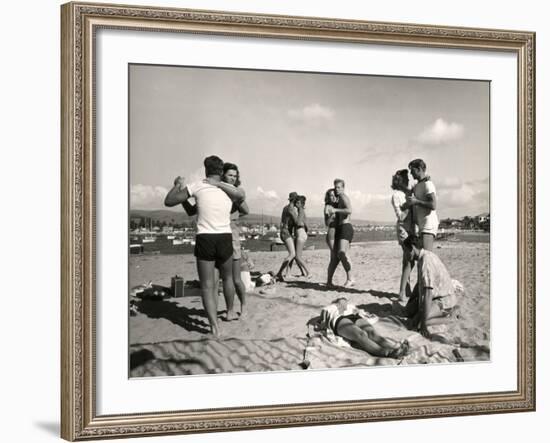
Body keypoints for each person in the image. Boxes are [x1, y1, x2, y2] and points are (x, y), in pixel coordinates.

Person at [164, 155, 245, 336]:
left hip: (206, 238)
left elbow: (169, 201)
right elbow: (242, 196)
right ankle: (230, 311)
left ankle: (214, 326)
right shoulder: (229, 189)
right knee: (228, 279)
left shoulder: (197, 185)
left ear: (206, 170)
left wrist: (177, 184)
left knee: (208, 286)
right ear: (221, 171)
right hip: (225, 237)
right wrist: (219, 185)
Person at [177, 162, 249, 318]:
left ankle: (242, 305)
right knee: (215, 282)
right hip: (215, 237)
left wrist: (233, 217)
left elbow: (246, 209)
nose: (233, 178)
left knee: (235, 279)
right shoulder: (210, 191)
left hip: (231, 238)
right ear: (223, 175)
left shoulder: (233, 192)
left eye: (235, 176)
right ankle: (215, 312)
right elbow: (192, 210)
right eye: (230, 175)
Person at [402, 236, 460, 338]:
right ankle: (430, 315)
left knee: (420, 321)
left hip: (444, 299)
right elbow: (419, 284)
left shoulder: (426, 261)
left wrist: (423, 324)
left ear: (412, 248)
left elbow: (428, 293)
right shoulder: (423, 257)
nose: (405, 255)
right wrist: (411, 301)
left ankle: (451, 316)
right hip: (435, 296)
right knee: (409, 311)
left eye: (405, 251)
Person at [320, 297, 409, 358]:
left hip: (353, 316)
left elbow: (361, 312)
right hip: (339, 319)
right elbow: (323, 319)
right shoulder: (330, 307)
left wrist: (359, 312)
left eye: (345, 300)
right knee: (361, 334)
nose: (344, 301)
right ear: (337, 301)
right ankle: (385, 352)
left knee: (372, 333)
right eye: (342, 300)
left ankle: (395, 347)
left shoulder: (350, 306)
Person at [391, 169, 416, 303]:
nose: (408, 181)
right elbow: (401, 216)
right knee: (408, 260)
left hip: (411, 230)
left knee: (408, 261)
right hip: (403, 231)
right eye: (405, 179)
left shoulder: (407, 192)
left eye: (408, 178)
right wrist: (409, 204)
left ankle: (406, 290)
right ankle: (402, 292)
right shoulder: (396, 195)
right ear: (399, 181)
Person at [326, 179, 354, 288]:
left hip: (346, 227)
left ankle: (350, 278)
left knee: (342, 253)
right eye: (335, 187)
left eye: (339, 187)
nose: (337, 189)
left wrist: (335, 210)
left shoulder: (343, 196)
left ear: (343, 188)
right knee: (336, 257)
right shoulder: (338, 199)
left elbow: (349, 210)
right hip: (341, 228)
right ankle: (329, 282)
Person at [405, 158, 439, 251]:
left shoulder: (428, 184)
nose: (411, 173)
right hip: (421, 226)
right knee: (420, 257)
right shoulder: (418, 185)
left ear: (419, 169)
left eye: (412, 170)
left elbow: (433, 205)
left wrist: (417, 202)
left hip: (428, 226)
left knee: (426, 258)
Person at [275, 192, 299, 281]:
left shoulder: (285, 208)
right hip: (286, 232)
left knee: (292, 254)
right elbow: (297, 222)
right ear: (295, 200)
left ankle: (288, 273)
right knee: (292, 254)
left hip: (284, 231)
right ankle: (279, 273)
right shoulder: (291, 209)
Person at [291, 195, 310, 278]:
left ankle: (308, 272)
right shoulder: (300, 211)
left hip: (301, 234)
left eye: (298, 202)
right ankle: (303, 272)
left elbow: (298, 223)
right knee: (296, 256)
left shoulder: (301, 210)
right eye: (296, 202)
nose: (296, 204)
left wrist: (293, 215)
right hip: (300, 233)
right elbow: (304, 224)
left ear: (302, 204)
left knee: (298, 256)